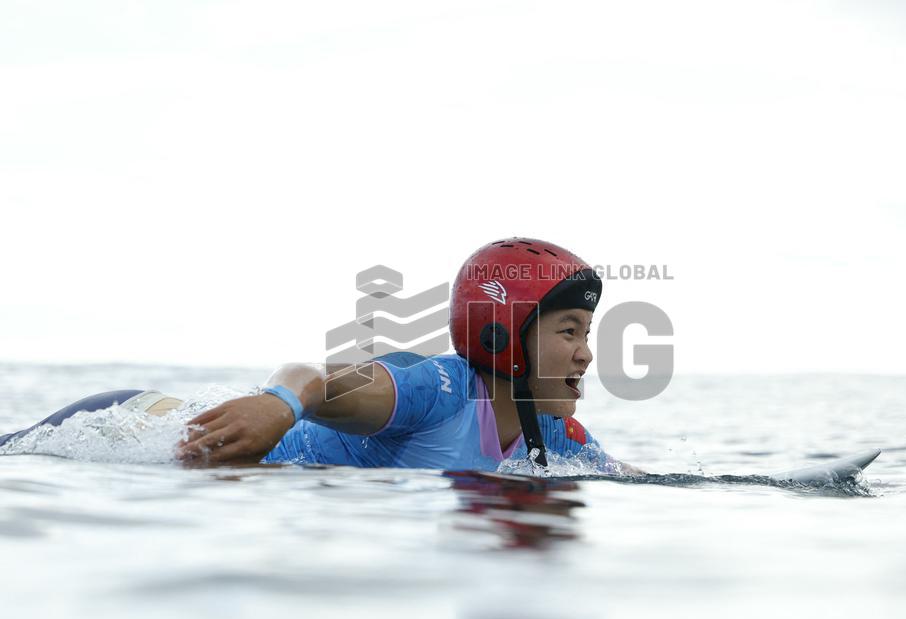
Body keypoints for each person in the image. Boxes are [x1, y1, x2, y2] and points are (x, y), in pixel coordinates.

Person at [1, 238, 643, 475]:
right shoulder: (434, 390)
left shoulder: (553, 435)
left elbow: (637, 482)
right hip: (140, 423)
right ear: (500, 334)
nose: (587, 355)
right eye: (569, 331)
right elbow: (307, 376)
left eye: (587, 333)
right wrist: (280, 406)